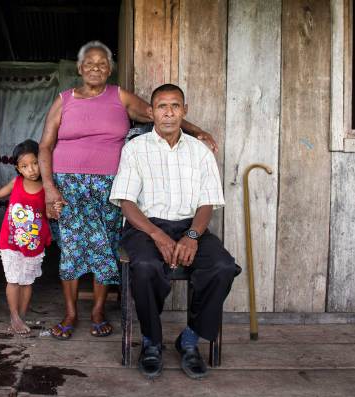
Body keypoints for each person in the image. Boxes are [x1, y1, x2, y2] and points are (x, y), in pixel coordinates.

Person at [39, 40, 218, 340]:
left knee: (105, 250)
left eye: (102, 63)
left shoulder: (118, 96)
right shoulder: (64, 100)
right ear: (80, 68)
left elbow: (159, 113)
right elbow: (45, 145)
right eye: (90, 63)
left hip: (110, 187)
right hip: (68, 187)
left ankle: (97, 311)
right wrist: (48, 188)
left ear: (109, 69)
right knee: (70, 250)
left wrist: (196, 130)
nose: (96, 67)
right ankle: (70, 313)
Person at [109, 84, 241, 379]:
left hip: (189, 226)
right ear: (151, 112)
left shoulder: (200, 152)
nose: (168, 113)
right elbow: (127, 202)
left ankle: (190, 339)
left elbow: (207, 201)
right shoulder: (135, 149)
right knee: (143, 266)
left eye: (175, 106)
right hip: (145, 226)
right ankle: (151, 342)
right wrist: (157, 234)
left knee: (222, 266)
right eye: (162, 107)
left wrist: (193, 236)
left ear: (185, 110)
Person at [0, 139, 52, 334]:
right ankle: (14, 316)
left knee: (27, 282)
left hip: (34, 245)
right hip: (10, 243)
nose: (32, 169)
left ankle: (22, 316)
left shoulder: (47, 187)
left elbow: (52, 213)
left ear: (42, 161)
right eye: (25, 166)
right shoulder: (16, 182)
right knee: (13, 280)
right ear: (18, 169)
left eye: (35, 163)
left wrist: (57, 206)